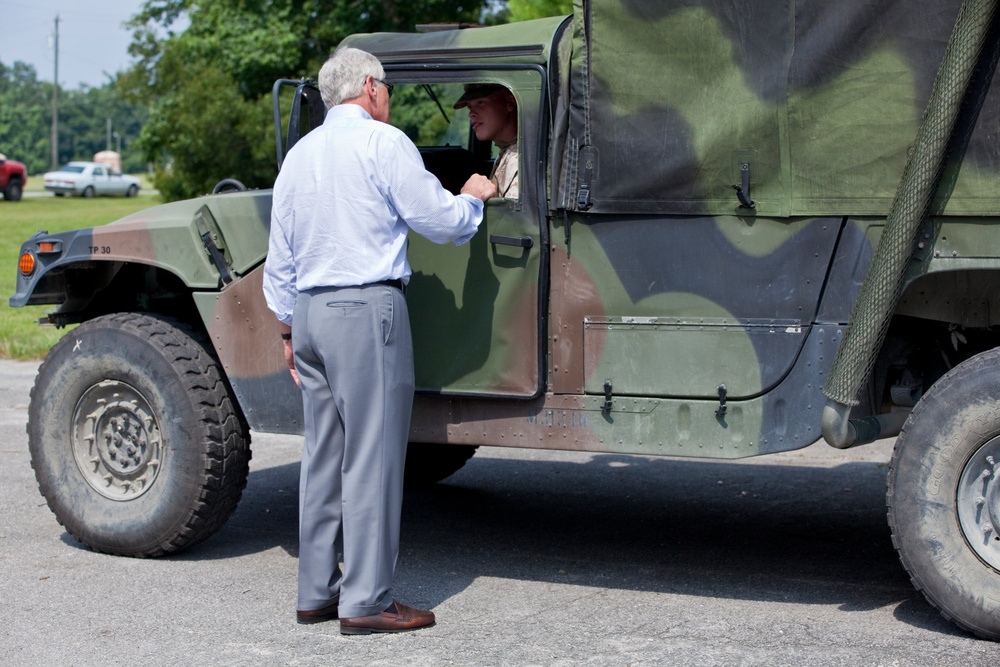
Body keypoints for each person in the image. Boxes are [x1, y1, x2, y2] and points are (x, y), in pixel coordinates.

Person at [262, 47, 497, 635]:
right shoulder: (383, 143)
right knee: (373, 458)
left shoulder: (300, 155)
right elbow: (438, 221)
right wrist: (473, 198)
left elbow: (280, 256)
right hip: (366, 310)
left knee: (324, 458)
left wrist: (289, 328)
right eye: (386, 87)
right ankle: (366, 601)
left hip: (310, 314)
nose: (386, 96)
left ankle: (317, 592)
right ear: (370, 87)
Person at [453, 83, 519, 198]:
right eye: (469, 106)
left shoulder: (523, 158)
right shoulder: (507, 153)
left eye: (480, 103)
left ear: (510, 103)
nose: (471, 114)